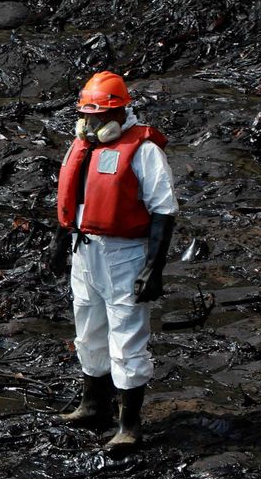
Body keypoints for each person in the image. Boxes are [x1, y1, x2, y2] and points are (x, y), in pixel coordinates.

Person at [49, 70, 178, 450]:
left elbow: (164, 212)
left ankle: (130, 425)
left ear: (120, 113)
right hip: (84, 250)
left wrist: (153, 268)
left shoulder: (144, 151)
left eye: (99, 117)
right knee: (88, 330)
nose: (92, 124)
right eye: (87, 116)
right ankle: (93, 406)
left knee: (126, 337)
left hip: (125, 255)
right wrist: (59, 245)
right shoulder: (82, 147)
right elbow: (73, 204)